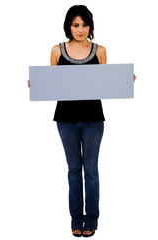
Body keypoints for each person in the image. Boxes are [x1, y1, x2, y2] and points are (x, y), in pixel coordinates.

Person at [28, 5, 136, 237]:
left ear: (90, 26)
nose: (80, 29)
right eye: (76, 25)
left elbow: (106, 82)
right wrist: (37, 84)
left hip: (93, 118)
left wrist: (125, 80)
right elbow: (53, 83)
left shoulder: (100, 50)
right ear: (69, 26)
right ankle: (76, 220)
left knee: (91, 171)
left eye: (85, 25)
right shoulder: (57, 50)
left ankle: (92, 222)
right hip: (65, 119)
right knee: (74, 170)